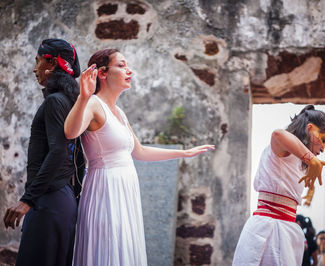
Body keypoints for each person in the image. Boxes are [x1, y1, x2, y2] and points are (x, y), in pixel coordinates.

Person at [64, 48, 215, 266]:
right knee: (107, 249)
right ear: (103, 74)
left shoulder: (120, 113)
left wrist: (183, 153)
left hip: (125, 191)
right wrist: (83, 97)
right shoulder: (93, 104)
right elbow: (70, 132)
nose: (129, 71)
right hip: (105, 189)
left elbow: (139, 151)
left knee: (123, 250)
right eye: (122, 65)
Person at [3, 39, 82, 266]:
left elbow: (58, 152)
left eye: (37, 61)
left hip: (50, 201)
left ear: (51, 64)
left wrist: (28, 199)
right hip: (60, 198)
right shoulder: (69, 102)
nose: (34, 67)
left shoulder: (55, 102)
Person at [232, 105, 325, 266]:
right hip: (269, 230)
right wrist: (312, 159)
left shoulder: (297, 158)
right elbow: (277, 135)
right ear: (310, 129)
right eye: (323, 140)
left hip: (285, 229)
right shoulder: (284, 149)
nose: (323, 148)